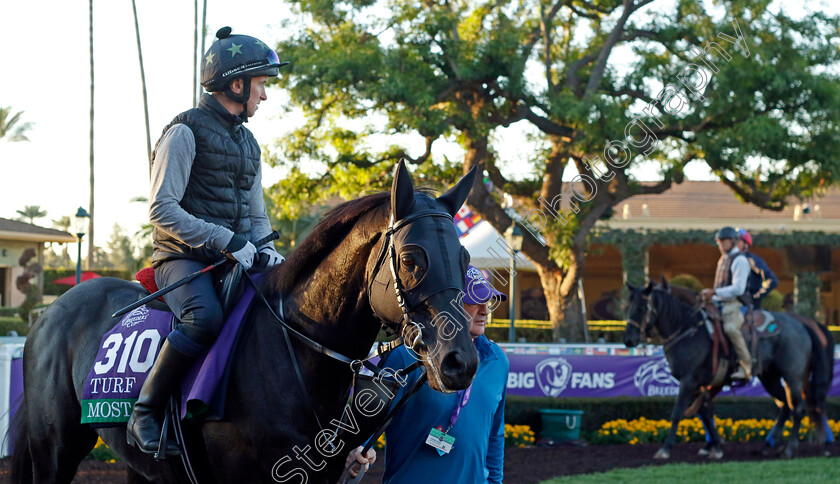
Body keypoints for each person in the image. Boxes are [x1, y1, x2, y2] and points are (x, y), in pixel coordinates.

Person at [127, 26, 287, 454]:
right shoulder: (183, 132)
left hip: (234, 257)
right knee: (204, 318)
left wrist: (267, 250)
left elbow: (257, 215)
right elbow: (161, 209)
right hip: (182, 258)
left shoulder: (250, 143)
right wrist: (226, 240)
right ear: (236, 84)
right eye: (261, 85)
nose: (264, 96)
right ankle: (146, 410)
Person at [380, 265, 508, 484]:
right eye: (475, 301)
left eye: (487, 301)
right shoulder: (406, 357)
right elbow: (367, 424)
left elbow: (495, 433)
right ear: (450, 302)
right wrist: (360, 450)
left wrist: (495, 482)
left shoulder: (498, 361)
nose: (485, 310)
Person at [701, 226, 752, 380]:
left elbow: (738, 289)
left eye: (725, 241)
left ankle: (746, 366)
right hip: (718, 304)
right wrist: (711, 296)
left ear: (734, 242)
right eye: (719, 242)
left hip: (735, 305)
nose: (721, 245)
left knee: (731, 329)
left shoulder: (741, 260)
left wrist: (715, 292)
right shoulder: (722, 259)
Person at [735, 228, 778, 310]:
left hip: (749, 308)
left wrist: (756, 296)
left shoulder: (753, 260)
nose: (734, 243)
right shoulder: (728, 260)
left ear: (746, 244)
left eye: (738, 240)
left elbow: (772, 280)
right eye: (733, 240)